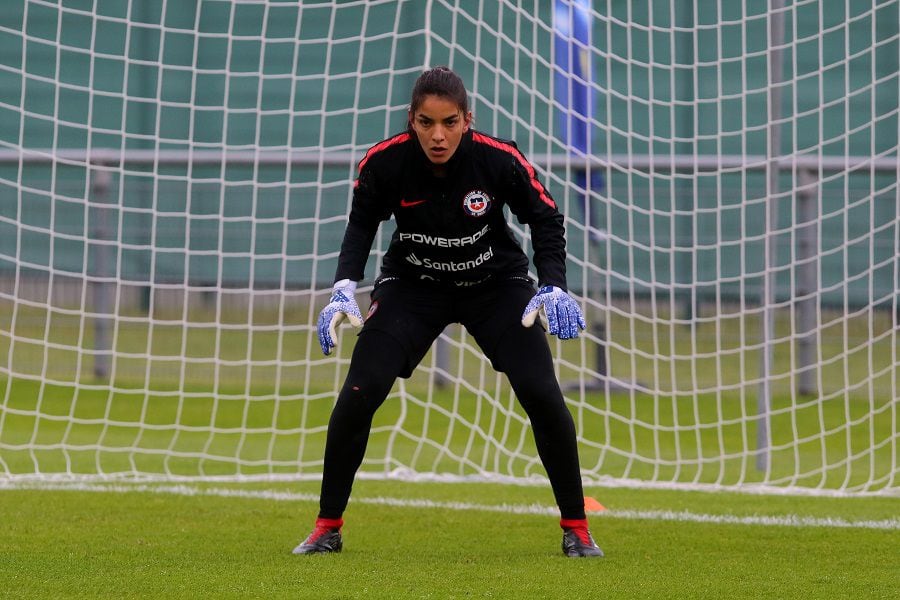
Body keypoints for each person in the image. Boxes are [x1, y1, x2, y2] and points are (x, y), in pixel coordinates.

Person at [293, 66, 603, 558]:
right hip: (413, 286)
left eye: (450, 122)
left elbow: (545, 217)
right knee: (360, 390)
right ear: (411, 120)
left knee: (542, 393)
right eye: (426, 122)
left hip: (495, 285)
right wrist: (342, 288)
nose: (438, 135)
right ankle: (326, 528)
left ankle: (578, 529)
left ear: (467, 120)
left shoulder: (500, 160)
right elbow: (361, 226)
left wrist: (554, 287)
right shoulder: (383, 162)